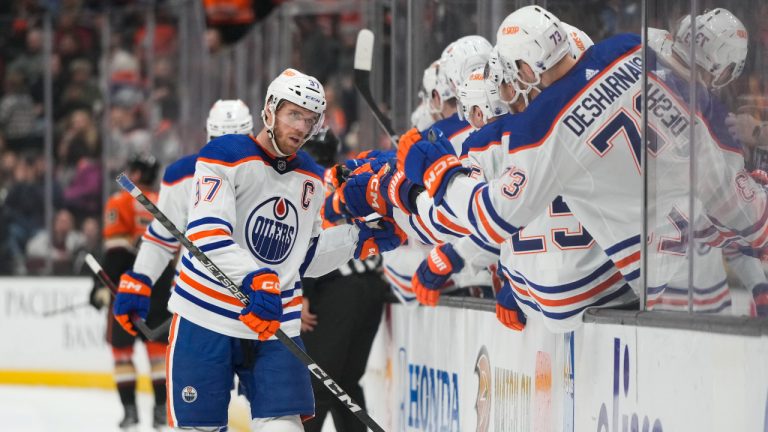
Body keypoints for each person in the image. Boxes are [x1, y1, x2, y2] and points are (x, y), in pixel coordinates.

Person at [393, 6, 768, 314]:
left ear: (524, 69)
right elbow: (745, 218)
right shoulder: (628, 49)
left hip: (649, 295)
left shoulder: (540, 128)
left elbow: (492, 218)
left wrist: (439, 173)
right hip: (691, 282)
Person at [111, 68, 404, 431]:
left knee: (285, 426)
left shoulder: (310, 177)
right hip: (207, 317)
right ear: (269, 111)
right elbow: (206, 233)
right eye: (293, 114)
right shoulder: (223, 155)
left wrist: (360, 240)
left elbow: (306, 255)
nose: (300, 127)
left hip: (274, 322)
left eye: (310, 119)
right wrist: (141, 279)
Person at [299, 127, 389, 432]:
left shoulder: (308, 185)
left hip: (336, 292)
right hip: (371, 288)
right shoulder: (347, 177)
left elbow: (310, 243)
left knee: (320, 382)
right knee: (346, 382)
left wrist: (303, 293)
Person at [89, 153, 175, 431]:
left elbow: (115, 253)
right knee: (158, 354)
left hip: (125, 287)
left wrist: (101, 287)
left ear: (135, 174)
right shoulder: (166, 202)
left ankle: (130, 414)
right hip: (160, 288)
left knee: (122, 353)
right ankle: (161, 412)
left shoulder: (121, 200)